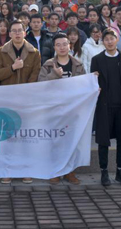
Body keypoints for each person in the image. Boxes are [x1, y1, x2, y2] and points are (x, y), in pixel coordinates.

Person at [0, 20, 41, 185]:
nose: (17, 33)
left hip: (26, 101)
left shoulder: (34, 53)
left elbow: (35, 75)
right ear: (10, 34)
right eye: (14, 31)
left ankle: (26, 169)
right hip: (7, 100)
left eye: (20, 30)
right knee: (8, 138)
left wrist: (24, 94)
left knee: (25, 138)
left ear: (25, 33)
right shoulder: (1, 51)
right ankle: (8, 169)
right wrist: (13, 68)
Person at [91, 29, 121, 187]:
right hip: (105, 106)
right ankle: (104, 172)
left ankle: (120, 172)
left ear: (117, 39)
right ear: (103, 42)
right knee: (103, 141)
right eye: (106, 39)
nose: (109, 42)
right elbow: (92, 82)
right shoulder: (97, 59)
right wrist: (94, 81)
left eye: (112, 38)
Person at [38, 33, 86, 185]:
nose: (62, 47)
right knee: (55, 141)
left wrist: (92, 87)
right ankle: (55, 171)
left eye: (65, 44)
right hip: (54, 109)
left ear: (70, 46)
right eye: (58, 45)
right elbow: (40, 84)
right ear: (54, 47)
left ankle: (70, 171)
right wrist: (53, 74)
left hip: (72, 109)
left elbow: (84, 85)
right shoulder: (48, 65)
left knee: (71, 141)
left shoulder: (78, 64)